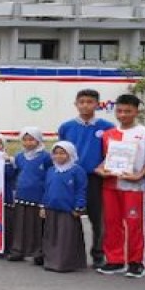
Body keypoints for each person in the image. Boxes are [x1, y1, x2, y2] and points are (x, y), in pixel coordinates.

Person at [96, 93, 145, 278]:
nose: (123, 115)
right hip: (111, 184)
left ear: (136, 111)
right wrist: (100, 170)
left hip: (135, 187)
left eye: (128, 111)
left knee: (134, 224)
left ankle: (136, 262)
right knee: (112, 223)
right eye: (120, 111)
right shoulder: (108, 134)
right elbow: (106, 160)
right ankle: (114, 260)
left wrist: (138, 176)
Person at [58, 89, 116, 268]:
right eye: (81, 101)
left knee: (98, 218)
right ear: (76, 104)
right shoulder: (66, 127)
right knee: (68, 216)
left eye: (90, 102)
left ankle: (98, 254)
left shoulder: (107, 127)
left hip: (95, 179)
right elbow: (61, 152)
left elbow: (113, 152)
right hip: (71, 178)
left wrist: (103, 166)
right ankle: (68, 253)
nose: (85, 105)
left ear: (97, 104)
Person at [41, 142, 89, 273]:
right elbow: (46, 189)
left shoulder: (77, 170)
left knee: (66, 237)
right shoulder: (51, 170)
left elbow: (81, 190)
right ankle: (51, 261)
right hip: (51, 208)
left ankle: (65, 263)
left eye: (62, 153)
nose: (58, 156)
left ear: (70, 154)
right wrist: (43, 206)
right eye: (56, 153)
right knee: (51, 236)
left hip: (68, 210)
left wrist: (79, 207)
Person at [8, 127, 49, 264]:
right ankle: (18, 250)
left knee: (37, 227)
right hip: (21, 196)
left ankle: (38, 253)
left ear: (38, 140)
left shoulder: (46, 157)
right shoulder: (19, 156)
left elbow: (49, 176)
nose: (28, 143)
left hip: (38, 197)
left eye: (31, 139)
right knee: (20, 226)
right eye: (25, 140)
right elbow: (16, 173)